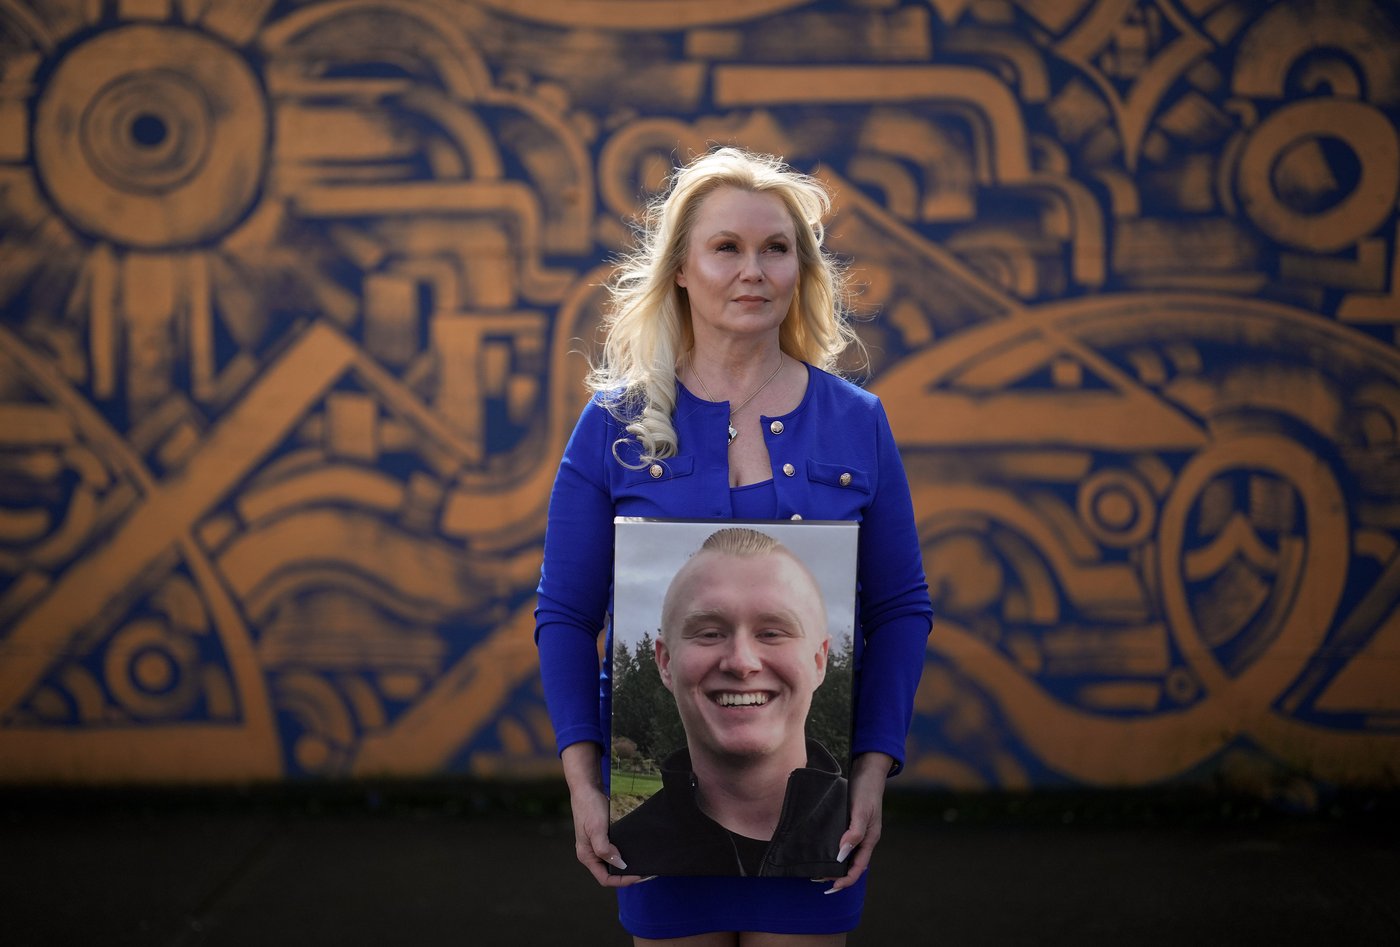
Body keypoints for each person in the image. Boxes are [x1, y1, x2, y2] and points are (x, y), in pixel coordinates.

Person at [534, 146, 933, 945]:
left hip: (821, 827)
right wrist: (586, 783)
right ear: (681, 268)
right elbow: (565, 615)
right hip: (657, 839)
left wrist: (872, 772)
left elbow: (899, 607)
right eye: (726, 247)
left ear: (800, 270)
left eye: (775, 248)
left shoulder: (859, 420)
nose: (753, 269)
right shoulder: (611, 428)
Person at [609, 527, 847, 878]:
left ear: (819, 661)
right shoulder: (625, 849)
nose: (741, 662)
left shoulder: (870, 835)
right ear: (665, 662)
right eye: (710, 633)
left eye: (771, 633)